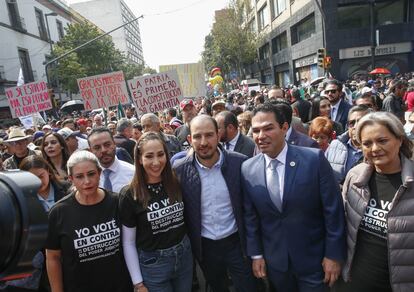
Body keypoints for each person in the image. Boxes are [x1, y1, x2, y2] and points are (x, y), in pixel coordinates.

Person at [242, 102, 346, 292]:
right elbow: (251, 217)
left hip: (315, 262)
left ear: (284, 128)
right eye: (256, 131)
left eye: (268, 128)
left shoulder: (313, 160)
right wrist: (256, 254)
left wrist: (334, 254)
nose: (260, 136)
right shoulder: (248, 168)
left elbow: (333, 210)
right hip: (276, 266)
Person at [173, 115, 256, 292]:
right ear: (189, 139)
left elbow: (251, 209)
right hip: (206, 248)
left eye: (209, 135)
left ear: (218, 135)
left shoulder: (240, 163)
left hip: (237, 244)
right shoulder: (179, 171)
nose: (203, 142)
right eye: (197, 136)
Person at [337, 112, 414, 292]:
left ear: (400, 140)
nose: (374, 148)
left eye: (382, 140)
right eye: (367, 143)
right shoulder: (355, 176)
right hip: (354, 281)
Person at [45, 151, 131, 292]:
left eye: (91, 174)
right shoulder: (58, 212)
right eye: (79, 176)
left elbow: (130, 244)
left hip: (120, 286)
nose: (87, 181)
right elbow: (53, 257)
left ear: (99, 173)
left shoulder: (118, 202)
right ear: (71, 179)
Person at [119, 132, 192, 292]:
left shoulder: (176, 182)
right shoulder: (130, 194)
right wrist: (138, 282)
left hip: (184, 255)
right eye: (149, 156)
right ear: (139, 159)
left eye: (160, 155)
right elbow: (128, 242)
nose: (156, 162)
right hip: (154, 264)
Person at [1, 156, 70, 291]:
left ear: (48, 172)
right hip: (38, 261)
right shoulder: (18, 200)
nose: (38, 182)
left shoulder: (67, 190)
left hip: (68, 254)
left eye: (41, 176)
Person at [325, 105, 371, 184]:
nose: (355, 126)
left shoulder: (376, 149)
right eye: (351, 123)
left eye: (361, 122)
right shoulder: (334, 145)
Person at [88, 127, 135, 193]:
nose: (103, 150)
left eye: (107, 145)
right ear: (91, 151)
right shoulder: (87, 178)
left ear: (114, 144)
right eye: (97, 147)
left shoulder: (133, 173)